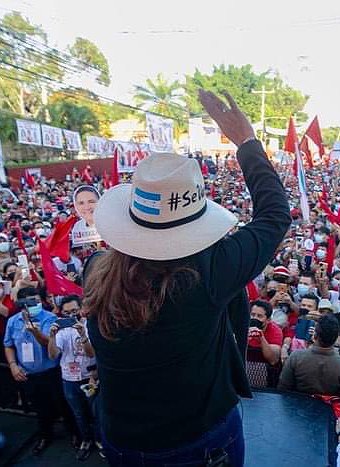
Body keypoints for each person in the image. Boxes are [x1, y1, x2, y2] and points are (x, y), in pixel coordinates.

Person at [83, 90, 291, 466]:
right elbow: (275, 214)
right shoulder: (209, 274)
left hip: (121, 439)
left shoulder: (95, 269)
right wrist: (246, 141)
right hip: (199, 444)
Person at [3, 287, 71, 455]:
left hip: (52, 372)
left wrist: (35, 331)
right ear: (22, 305)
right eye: (30, 302)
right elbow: (8, 344)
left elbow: (51, 344)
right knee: (40, 407)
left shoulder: (50, 318)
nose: (35, 305)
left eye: (37, 301)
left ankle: (75, 435)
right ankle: (45, 435)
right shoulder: (13, 321)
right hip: (28, 374)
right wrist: (12, 365)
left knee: (63, 405)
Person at [47, 294, 97, 460]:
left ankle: (100, 439)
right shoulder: (62, 331)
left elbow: (91, 354)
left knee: (96, 411)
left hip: (90, 377)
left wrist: (83, 335)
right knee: (78, 413)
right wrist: (52, 337)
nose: (71, 316)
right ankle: (86, 440)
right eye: (67, 313)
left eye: (74, 311)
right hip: (69, 379)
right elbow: (53, 355)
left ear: (82, 309)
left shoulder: (91, 326)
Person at [278, 314, 340, 416]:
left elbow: (282, 389)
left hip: (296, 413)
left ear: (315, 335)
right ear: (336, 337)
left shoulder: (296, 357)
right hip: (327, 417)